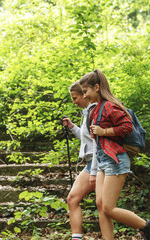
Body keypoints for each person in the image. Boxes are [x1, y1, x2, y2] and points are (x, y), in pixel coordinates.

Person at [79, 69, 150, 240]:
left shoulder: (110, 106)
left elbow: (127, 127)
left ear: (96, 87)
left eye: (86, 91)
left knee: (108, 208)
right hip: (104, 161)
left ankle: (149, 228)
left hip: (115, 161)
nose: (85, 95)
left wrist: (104, 131)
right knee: (101, 206)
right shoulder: (95, 110)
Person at [62, 81, 98, 240]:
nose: (74, 101)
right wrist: (72, 127)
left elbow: (98, 144)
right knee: (74, 199)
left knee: (105, 207)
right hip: (93, 162)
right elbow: (87, 139)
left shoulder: (94, 112)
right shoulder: (87, 112)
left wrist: (94, 171)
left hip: (97, 163)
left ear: (85, 94)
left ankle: (145, 226)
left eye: (75, 97)